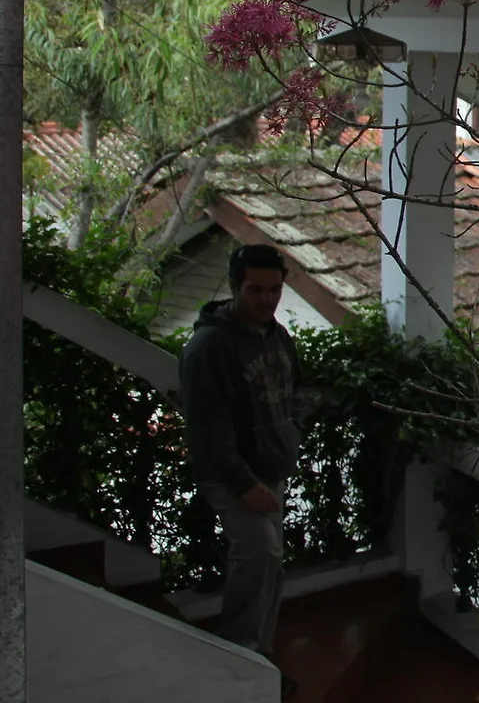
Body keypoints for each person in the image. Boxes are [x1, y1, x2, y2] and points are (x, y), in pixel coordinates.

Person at [179, 243, 303, 699]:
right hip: (235, 476)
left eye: (274, 290)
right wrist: (245, 484)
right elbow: (207, 430)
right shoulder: (208, 347)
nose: (267, 299)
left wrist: (290, 436)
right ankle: (237, 659)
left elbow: (295, 393)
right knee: (258, 556)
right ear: (235, 287)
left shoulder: (277, 336)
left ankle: (260, 659)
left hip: (271, 471)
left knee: (271, 566)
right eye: (256, 290)